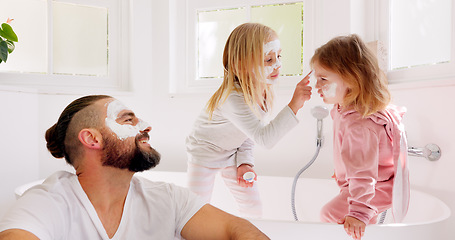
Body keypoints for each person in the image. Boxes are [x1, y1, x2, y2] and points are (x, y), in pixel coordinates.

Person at [0, 95, 270, 240]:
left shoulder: (170, 199)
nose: (146, 125)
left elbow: (239, 230)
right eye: (128, 119)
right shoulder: (48, 202)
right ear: (92, 139)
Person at [186, 22, 313, 218]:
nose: (277, 64)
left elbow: (249, 134)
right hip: (205, 154)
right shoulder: (232, 99)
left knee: (253, 207)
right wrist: (295, 104)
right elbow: (265, 138)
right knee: (194, 210)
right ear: (241, 66)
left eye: (279, 56)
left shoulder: (263, 92)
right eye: (268, 59)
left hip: (231, 153)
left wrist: (245, 162)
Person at [310, 34, 410, 240]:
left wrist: (359, 213)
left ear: (351, 80)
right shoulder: (344, 108)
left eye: (323, 79)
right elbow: (354, 157)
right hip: (371, 182)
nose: (316, 86)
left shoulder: (360, 125)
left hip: (376, 187)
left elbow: (363, 173)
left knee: (329, 214)